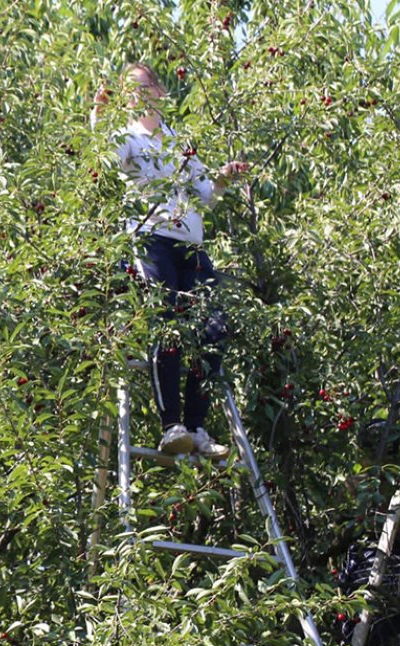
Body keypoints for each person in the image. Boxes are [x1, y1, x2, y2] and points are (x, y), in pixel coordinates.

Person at [95, 62, 248, 458]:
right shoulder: (127, 137)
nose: (137, 94)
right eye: (130, 89)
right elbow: (103, 160)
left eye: (142, 86)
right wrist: (97, 116)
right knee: (168, 323)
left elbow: (205, 193)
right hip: (152, 241)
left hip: (190, 247)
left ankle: (197, 428)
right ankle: (172, 425)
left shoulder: (178, 142)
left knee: (213, 328)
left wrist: (224, 178)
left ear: (160, 91)